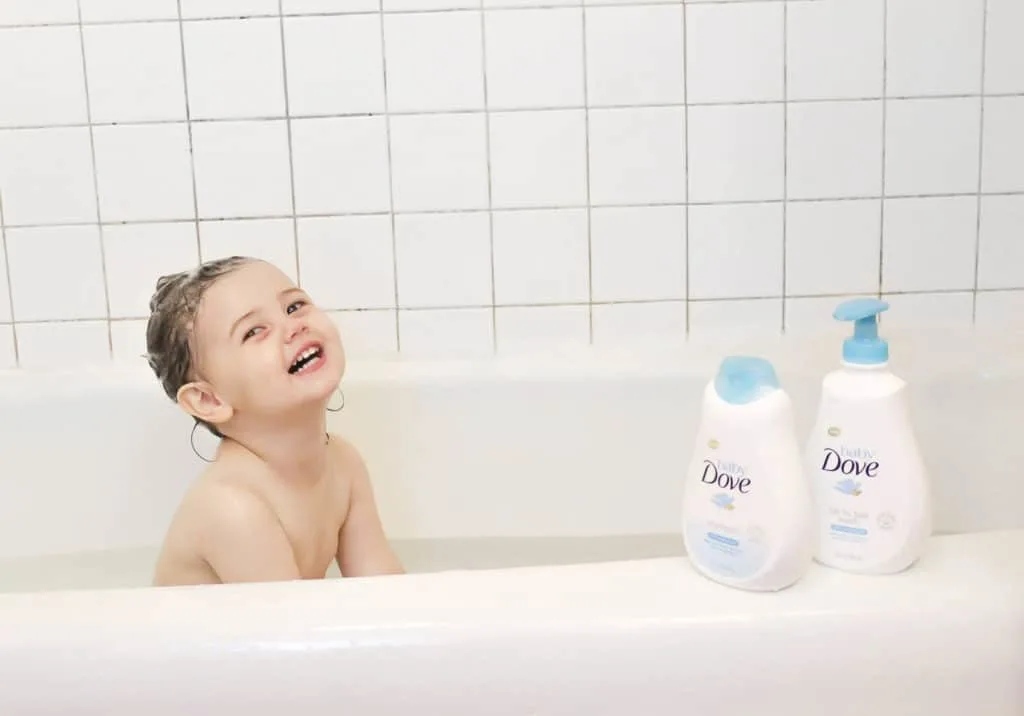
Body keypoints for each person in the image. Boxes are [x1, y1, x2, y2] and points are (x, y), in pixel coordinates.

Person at [144, 256, 404, 586]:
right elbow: (295, 632)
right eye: (254, 331)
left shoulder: (343, 464)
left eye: (294, 306)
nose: (293, 326)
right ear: (209, 400)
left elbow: (388, 595)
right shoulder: (233, 507)